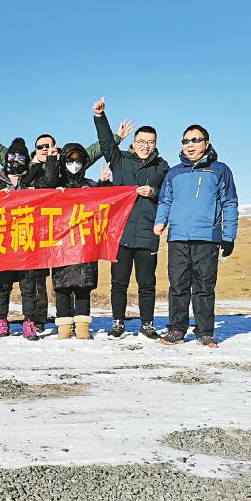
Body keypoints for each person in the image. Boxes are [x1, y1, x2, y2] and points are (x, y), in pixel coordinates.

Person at [0, 121, 133, 332]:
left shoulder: (64, 165)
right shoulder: (26, 167)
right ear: (35, 150)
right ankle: (31, 319)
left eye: (48, 146)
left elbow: (89, 153)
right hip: (27, 231)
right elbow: (4, 153)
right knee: (29, 282)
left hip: (52, 232)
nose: (45, 149)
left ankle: (40, 319)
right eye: (41, 146)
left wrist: (116, 137)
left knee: (43, 280)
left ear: (55, 147)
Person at [154, 124, 238, 348]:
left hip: (207, 238)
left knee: (204, 287)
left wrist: (229, 236)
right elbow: (165, 200)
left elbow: (230, 203)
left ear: (206, 144)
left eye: (195, 140)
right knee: (178, 286)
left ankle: (205, 332)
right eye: (185, 141)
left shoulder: (220, 170)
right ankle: (176, 330)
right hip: (178, 237)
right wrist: (160, 221)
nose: (190, 145)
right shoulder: (174, 172)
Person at [93, 96, 170, 340]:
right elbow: (106, 144)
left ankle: (147, 324)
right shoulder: (120, 161)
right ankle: (118, 323)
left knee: (147, 284)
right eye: (141, 141)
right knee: (119, 283)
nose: (146, 146)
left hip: (148, 234)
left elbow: (169, 195)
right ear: (134, 143)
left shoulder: (162, 167)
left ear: (155, 144)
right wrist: (100, 117)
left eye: (150, 142)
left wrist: (153, 192)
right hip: (121, 233)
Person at [37, 143, 103, 340]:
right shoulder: (57, 184)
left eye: (78, 161)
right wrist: (52, 160)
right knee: (62, 285)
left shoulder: (91, 185)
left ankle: (82, 325)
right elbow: (46, 184)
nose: (74, 164)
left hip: (84, 243)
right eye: (70, 160)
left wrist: (105, 184)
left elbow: (107, 204)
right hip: (61, 243)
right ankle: (64, 325)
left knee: (83, 285)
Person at [0, 137, 43, 340]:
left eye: (20, 157)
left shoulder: (33, 178)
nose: (16, 160)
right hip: (2, 241)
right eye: (12, 156)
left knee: (28, 286)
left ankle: (29, 322)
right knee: (3, 286)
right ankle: (2, 321)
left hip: (26, 240)